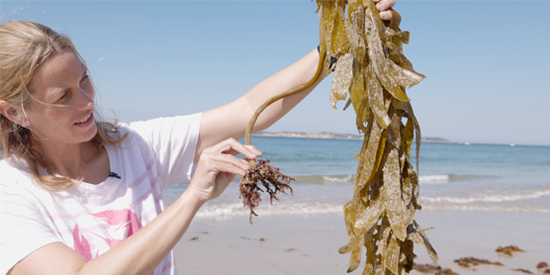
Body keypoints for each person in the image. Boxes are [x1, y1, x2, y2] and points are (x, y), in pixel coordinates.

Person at [0, 1, 396, 274]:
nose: (87, 102)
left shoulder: (132, 147)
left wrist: (339, 44)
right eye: (63, 96)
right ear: (14, 111)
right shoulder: (11, 193)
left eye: (85, 80)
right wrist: (192, 197)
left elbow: (249, 109)